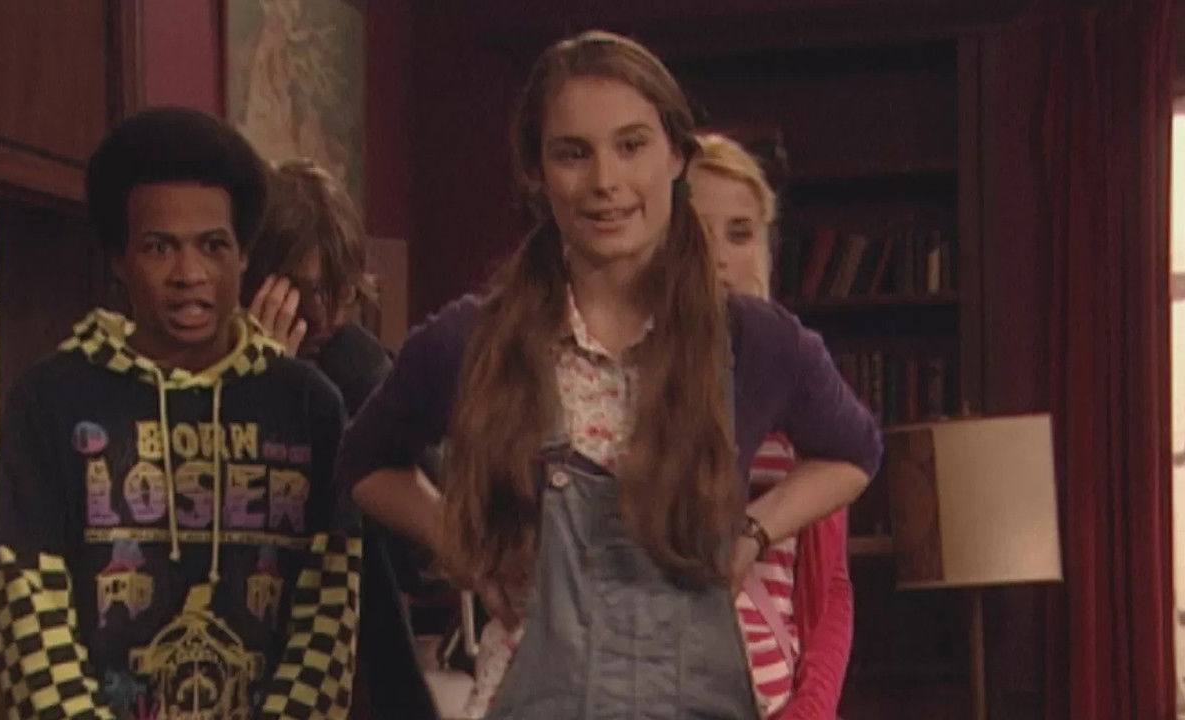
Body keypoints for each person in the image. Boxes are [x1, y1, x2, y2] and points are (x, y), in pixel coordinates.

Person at [337, 30, 881, 719]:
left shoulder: (754, 341)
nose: (604, 182)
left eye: (631, 145)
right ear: (536, 171)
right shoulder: (472, 339)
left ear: (675, 155)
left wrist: (753, 532)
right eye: (573, 153)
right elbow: (363, 461)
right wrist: (467, 549)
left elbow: (856, 451)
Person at [0, 107, 360, 720]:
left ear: (243, 256)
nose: (189, 275)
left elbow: (328, 623)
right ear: (120, 259)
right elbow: (31, 617)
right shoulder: (49, 400)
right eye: (160, 247)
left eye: (213, 246)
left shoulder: (308, 406)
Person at [243, 158, 440, 720]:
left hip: (363, 680)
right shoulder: (209, 375)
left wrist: (375, 387)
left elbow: (424, 559)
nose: (324, 314)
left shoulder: (357, 365)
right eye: (306, 291)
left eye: (339, 290)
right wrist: (261, 390)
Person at [689, 132, 854, 719]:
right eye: (696, 233)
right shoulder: (619, 379)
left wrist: (810, 710)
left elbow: (832, 590)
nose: (720, 256)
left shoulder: (801, 387)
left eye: (740, 233)